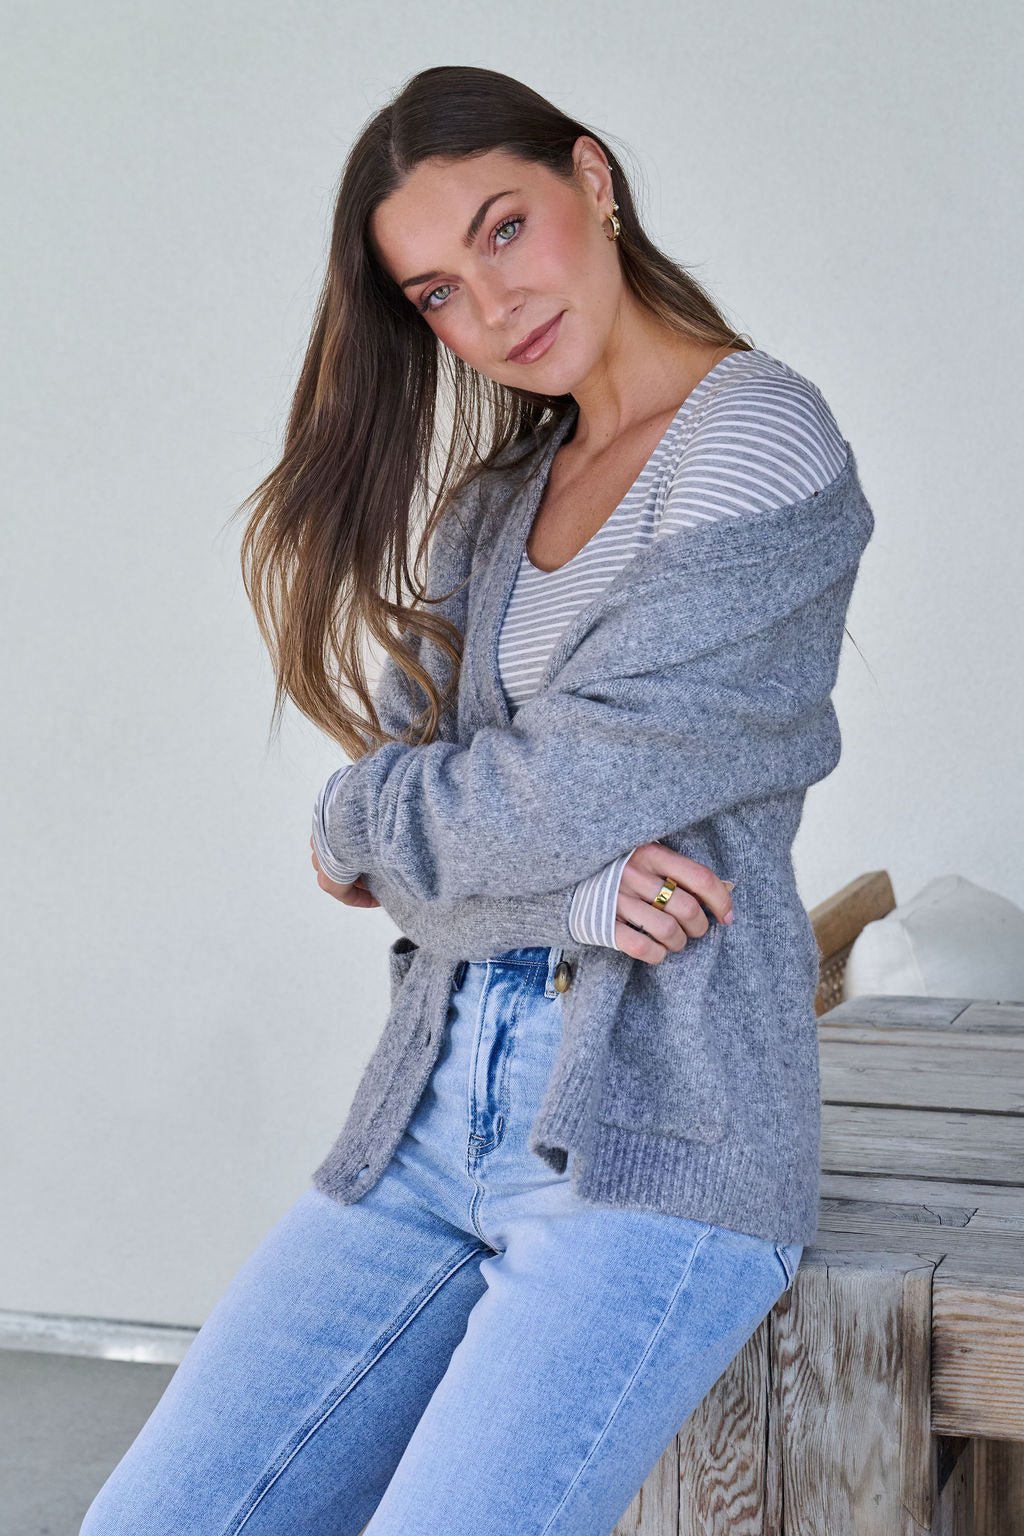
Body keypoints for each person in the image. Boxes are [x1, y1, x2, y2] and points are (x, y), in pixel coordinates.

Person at [81, 64, 872, 1535]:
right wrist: (561, 889)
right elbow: (363, 824)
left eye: (505, 228)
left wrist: (408, 829)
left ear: (595, 179)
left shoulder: (757, 444)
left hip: (658, 1145)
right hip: (428, 1116)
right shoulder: (495, 500)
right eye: (439, 292)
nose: (491, 309)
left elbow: (541, 787)